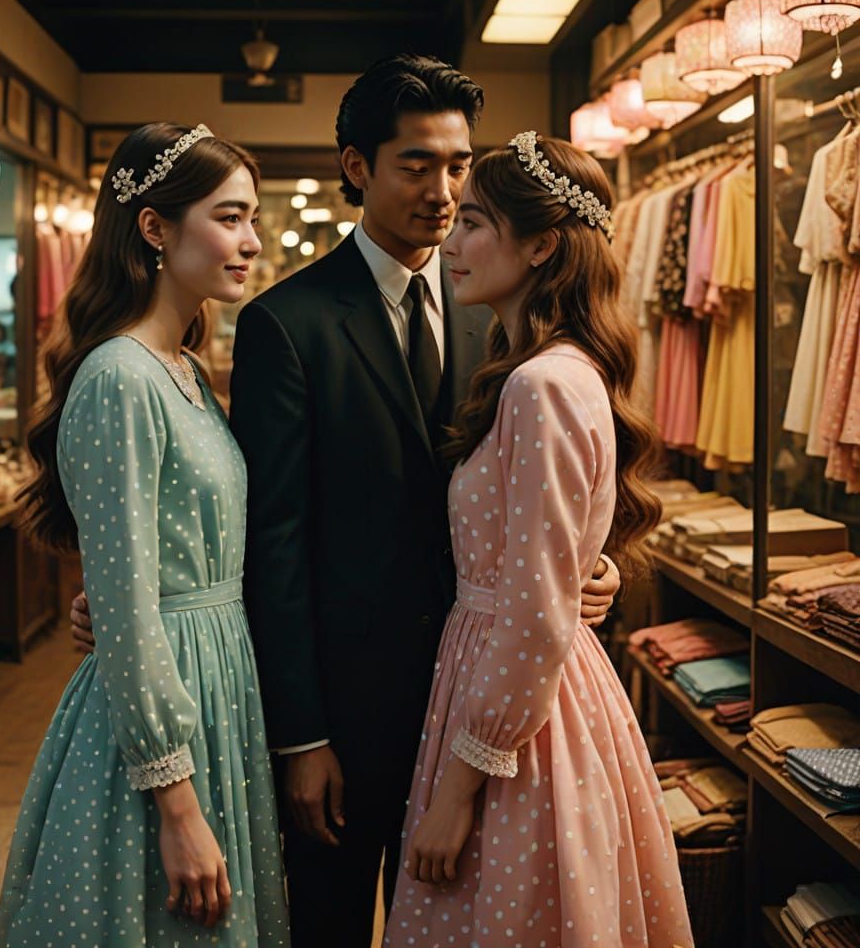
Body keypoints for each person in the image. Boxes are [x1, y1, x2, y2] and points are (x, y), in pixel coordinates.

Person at [69, 56, 620, 946]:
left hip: (486, 701)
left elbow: (554, 491)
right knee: (322, 921)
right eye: (415, 165)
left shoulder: (499, 305)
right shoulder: (286, 320)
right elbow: (270, 537)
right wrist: (302, 733)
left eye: (457, 167)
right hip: (343, 708)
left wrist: (593, 566)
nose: (442, 193)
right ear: (358, 167)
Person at [383, 133, 694, 947]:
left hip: (519, 706)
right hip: (518, 683)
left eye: (476, 221)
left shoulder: (543, 382)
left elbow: (532, 611)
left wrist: (456, 792)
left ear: (542, 243)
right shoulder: (544, 368)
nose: (452, 239)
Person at [0, 123, 289, 947]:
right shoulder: (121, 376)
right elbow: (126, 599)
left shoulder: (183, 366)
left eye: (252, 218)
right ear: (155, 228)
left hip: (215, 677)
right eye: (229, 218)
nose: (251, 241)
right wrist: (177, 803)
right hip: (165, 705)